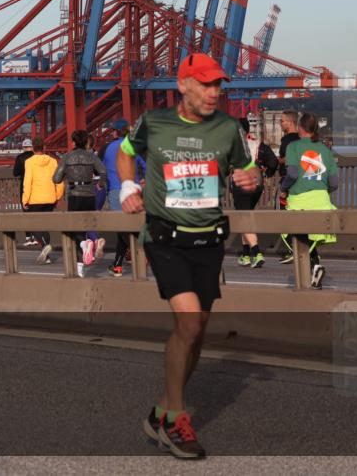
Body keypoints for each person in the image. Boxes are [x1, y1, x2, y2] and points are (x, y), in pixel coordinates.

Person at [119, 52, 260, 460]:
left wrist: (251, 179)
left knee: (197, 330)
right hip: (165, 238)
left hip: (209, 239)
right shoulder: (155, 123)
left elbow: (248, 176)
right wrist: (128, 187)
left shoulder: (228, 129)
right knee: (189, 319)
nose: (213, 92)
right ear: (182, 85)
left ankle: (162, 410)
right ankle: (178, 420)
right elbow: (126, 151)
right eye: (204, 83)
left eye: (217, 84)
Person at [279, 113, 338, 289]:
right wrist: (322, 191)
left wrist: (283, 189)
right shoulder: (326, 150)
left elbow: (292, 174)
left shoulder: (293, 147)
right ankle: (315, 268)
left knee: (288, 233)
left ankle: (311, 270)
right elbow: (334, 183)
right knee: (311, 238)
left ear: (299, 128)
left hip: (300, 199)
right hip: (321, 199)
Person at [53, 129, 106, 276]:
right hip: (90, 195)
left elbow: (56, 179)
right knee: (87, 227)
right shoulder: (91, 156)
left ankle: (81, 260)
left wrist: (67, 174)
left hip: (74, 195)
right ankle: (85, 253)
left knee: (76, 230)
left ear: (74, 142)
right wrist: (100, 184)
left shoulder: (67, 157)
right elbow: (103, 171)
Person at [232, 118, 278, 268]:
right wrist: (268, 174)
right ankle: (246, 255)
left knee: (243, 218)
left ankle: (257, 253)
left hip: (241, 185)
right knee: (245, 215)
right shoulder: (259, 144)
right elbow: (273, 162)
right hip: (257, 186)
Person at [102, 120, 146, 277]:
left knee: (122, 229)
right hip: (133, 190)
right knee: (131, 226)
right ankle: (117, 265)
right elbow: (145, 166)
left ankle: (142, 251)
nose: (112, 133)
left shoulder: (109, 148)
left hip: (115, 191)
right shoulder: (133, 146)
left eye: (113, 130)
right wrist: (143, 179)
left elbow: (102, 169)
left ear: (116, 132)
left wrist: (101, 184)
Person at [21, 137, 63, 265]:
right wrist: (57, 196)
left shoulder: (29, 162)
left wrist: (25, 199)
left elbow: (27, 182)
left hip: (35, 199)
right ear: (44, 148)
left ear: (33, 148)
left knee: (33, 225)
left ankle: (45, 246)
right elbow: (59, 181)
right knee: (44, 227)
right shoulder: (53, 161)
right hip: (50, 198)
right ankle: (47, 257)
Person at [13, 139, 35, 246]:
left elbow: (15, 173)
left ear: (23, 147)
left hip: (24, 185)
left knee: (25, 210)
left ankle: (28, 237)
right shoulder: (36, 157)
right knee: (35, 210)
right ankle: (36, 236)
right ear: (32, 147)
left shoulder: (20, 158)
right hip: (36, 185)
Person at [276, 110, 300, 210]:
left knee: (283, 211)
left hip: (287, 180)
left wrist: (277, 160)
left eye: (282, 121)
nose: (280, 123)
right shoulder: (300, 138)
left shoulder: (287, 140)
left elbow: (289, 158)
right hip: (300, 180)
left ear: (290, 123)